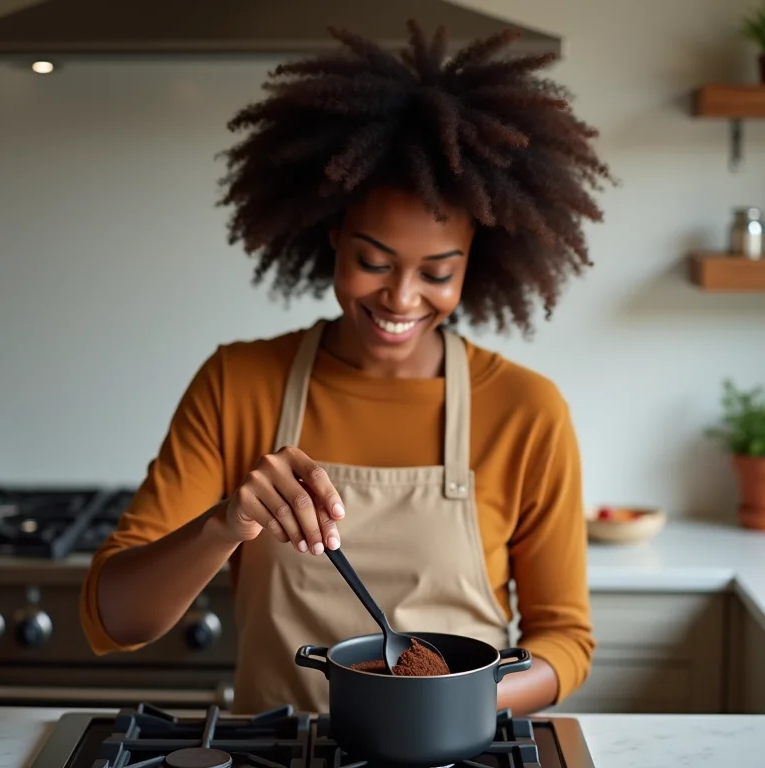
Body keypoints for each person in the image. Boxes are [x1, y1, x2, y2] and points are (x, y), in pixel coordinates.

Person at [80, 21, 614, 716]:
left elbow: (564, 639)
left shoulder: (525, 409)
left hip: (458, 753)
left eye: (437, 272)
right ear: (332, 236)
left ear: (474, 265)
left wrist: (460, 700)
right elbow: (117, 620)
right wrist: (225, 524)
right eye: (373, 261)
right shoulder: (239, 384)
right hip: (278, 754)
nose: (400, 297)